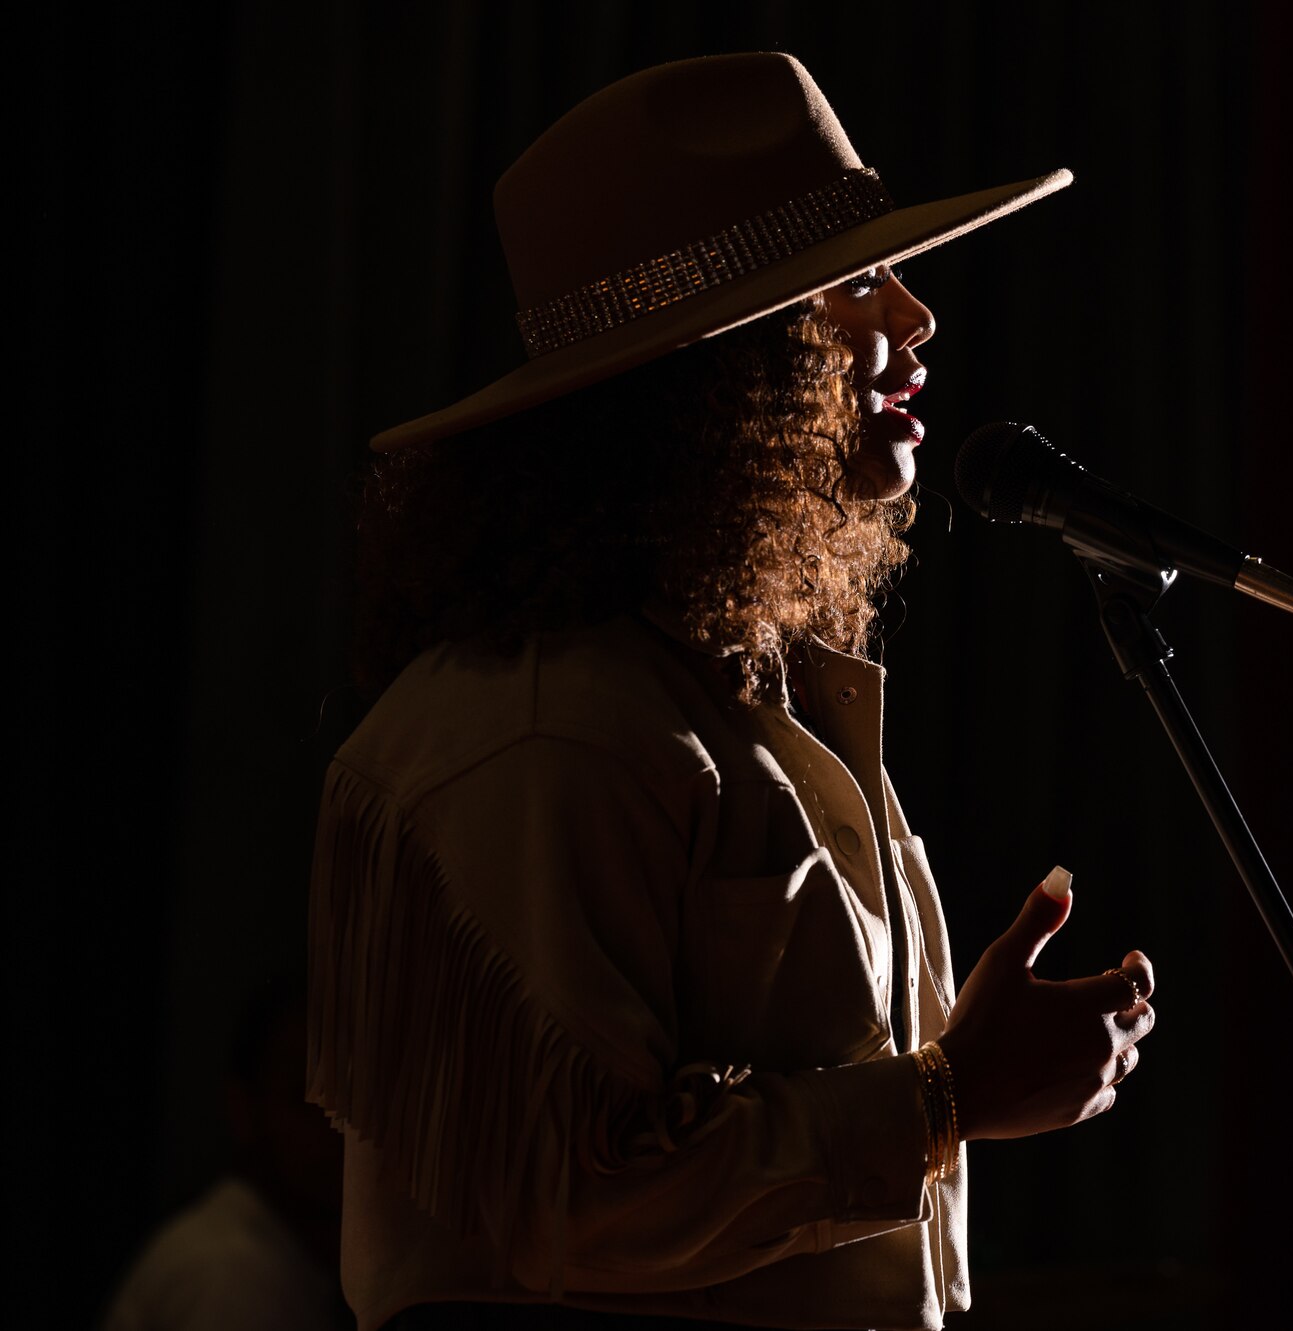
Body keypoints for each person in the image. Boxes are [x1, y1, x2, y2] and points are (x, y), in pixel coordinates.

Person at [307, 52, 1159, 1331]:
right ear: (724, 374)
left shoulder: (734, 703)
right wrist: (944, 1099)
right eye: (858, 282)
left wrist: (948, 1084)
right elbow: (557, 1191)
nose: (915, 318)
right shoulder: (537, 735)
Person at [103, 977, 351, 1331]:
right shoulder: (234, 1276)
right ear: (244, 1108)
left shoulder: (282, 1262)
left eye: (353, 1103)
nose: (338, 1127)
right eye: (308, 1099)